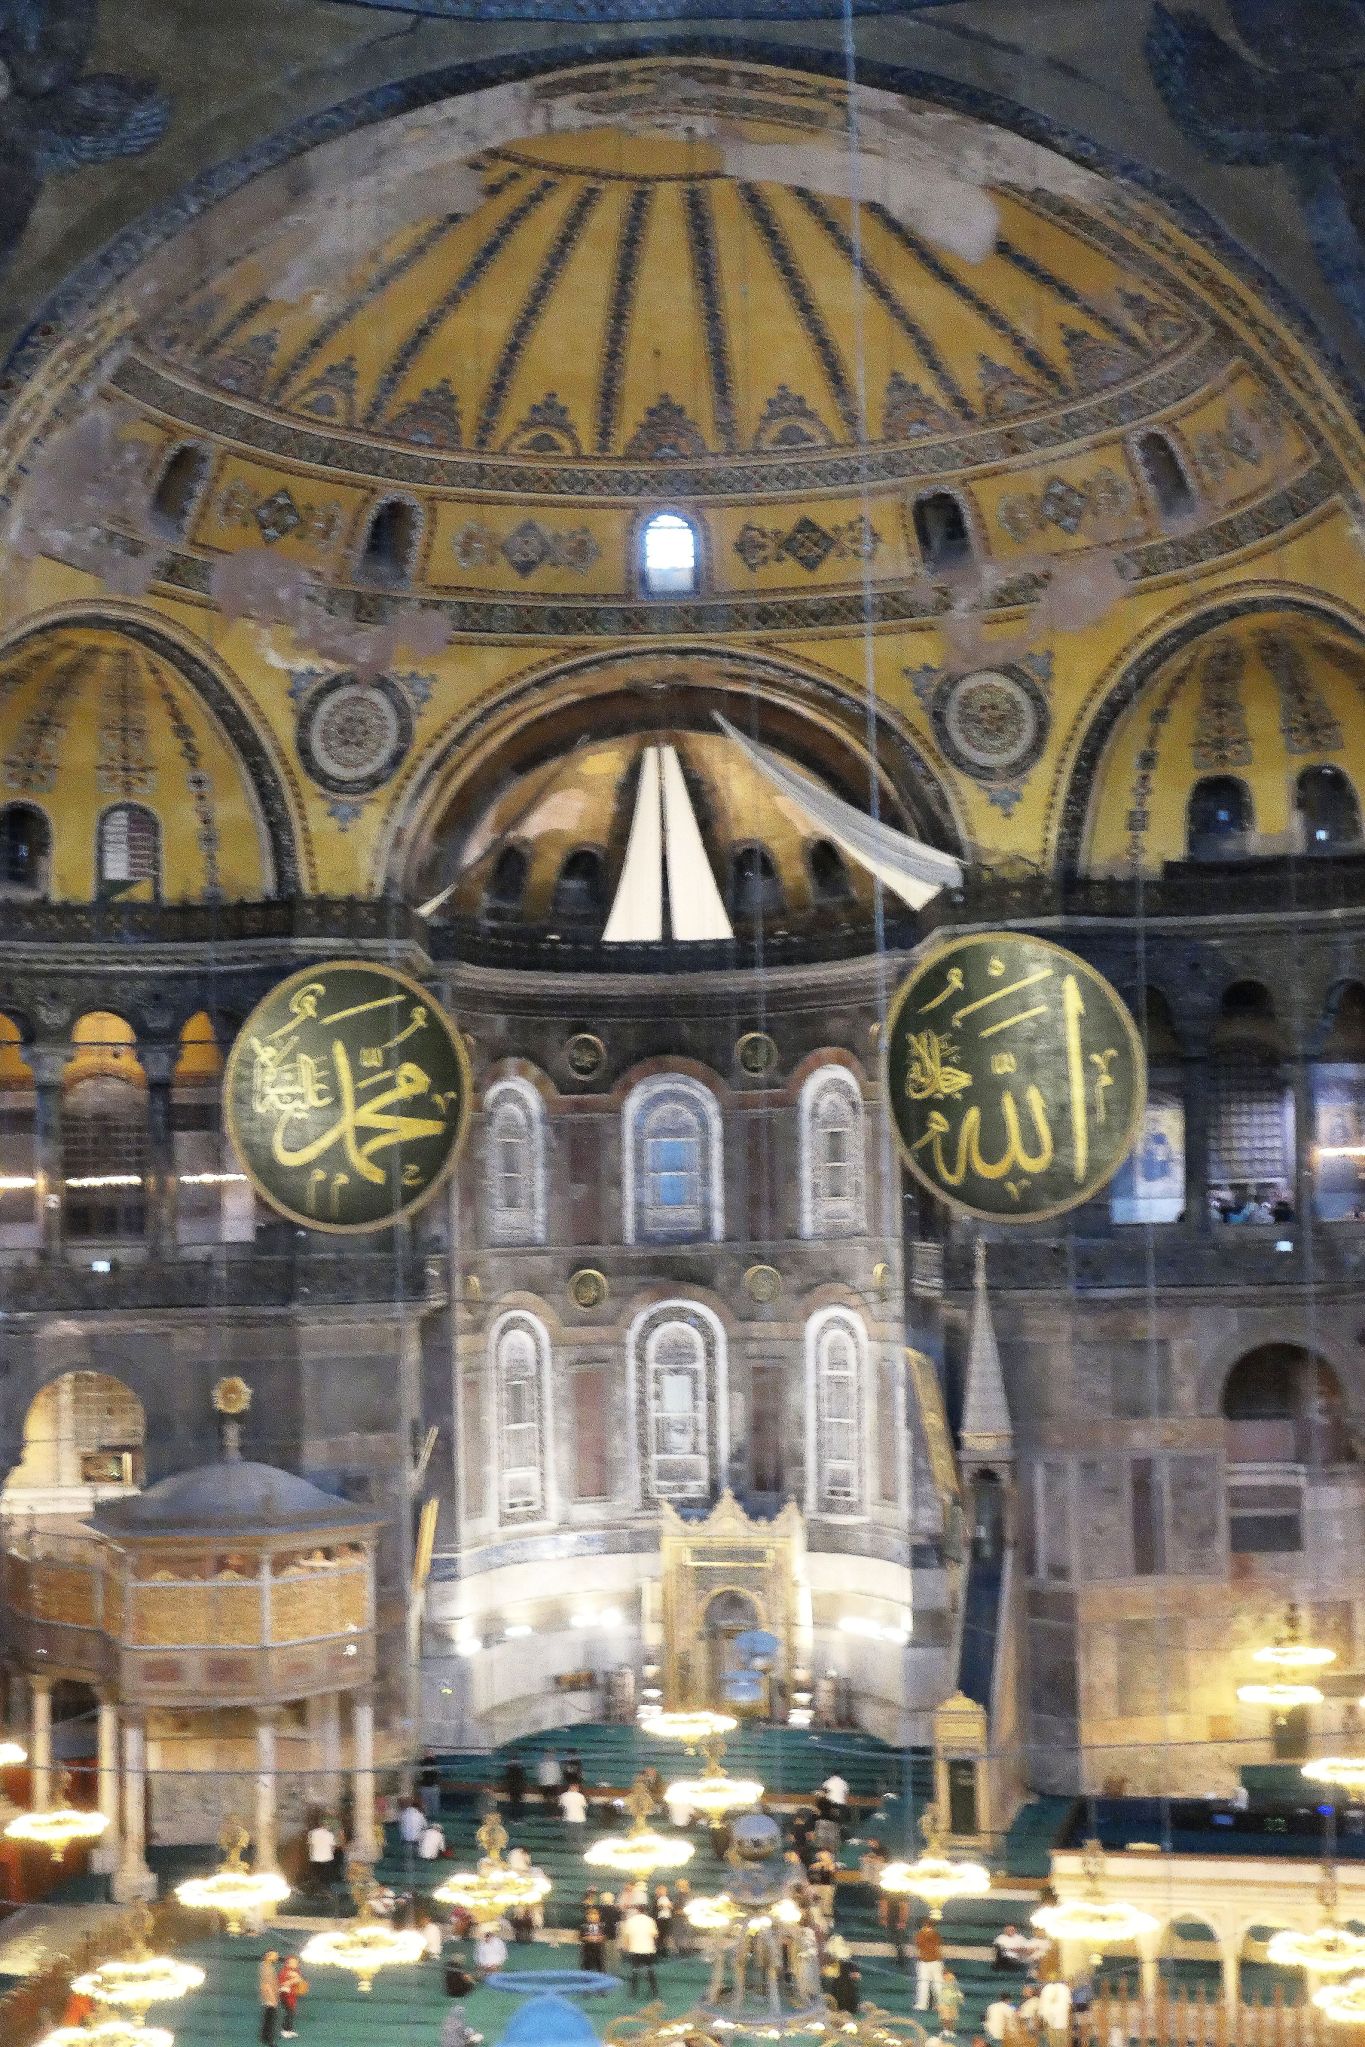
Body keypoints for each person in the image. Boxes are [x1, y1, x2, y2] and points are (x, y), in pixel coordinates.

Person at [621, 1900, 660, 1997]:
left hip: (635, 1949)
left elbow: (626, 1937)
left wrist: (626, 1948)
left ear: (637, 1910)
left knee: (634, 1972)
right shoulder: (650, 1920)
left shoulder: (630, 1920)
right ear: (645, 1910)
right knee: (650, 1971)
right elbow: (655, 1935)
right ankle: (654, 1991)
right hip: (648, 1949)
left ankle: (633, 1992)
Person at [915, 1920, 944, 2012]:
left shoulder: (922, 1934)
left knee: (927, 1984)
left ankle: (924, 2005)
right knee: (934, 1984)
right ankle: (937, 2005)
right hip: (931, 1962)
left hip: (928, 1962)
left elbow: (920, 1946)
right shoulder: (934, 1934)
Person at [278, 1957, 308, 2039]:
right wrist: (293, 1980)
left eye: (296, 1962)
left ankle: (289, 2030)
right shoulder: (284, 1972)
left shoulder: (296, 1971)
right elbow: (282, 1984)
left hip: (292, 1995)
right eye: (293, 1962)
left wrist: (297, 1979)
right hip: (285, 1995)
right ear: (288, 1963)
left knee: (292, 2012)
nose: (295, 1964)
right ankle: (284, 2031)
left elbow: (300, 1981)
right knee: (289, 2012)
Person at [306, 1817, 336, 1898]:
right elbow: (333, 1847)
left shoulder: (312, 1833)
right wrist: (331, 1854)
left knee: (316, 1876)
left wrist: (310, 1855)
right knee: (326, 1877)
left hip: (315, 1858)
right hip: (327, 1858)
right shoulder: (330, 1834)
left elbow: (310, 1845)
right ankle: (325, 1893)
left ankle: (315, 1892)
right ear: (326, 1825)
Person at [1038, 1975, 1071, 2047]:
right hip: (1060, 2022)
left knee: (1054, 2043)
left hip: (1052, 2021)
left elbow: (1042, 2007)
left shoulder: (1046, 1988)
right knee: (1061, 2043)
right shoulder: (1065, 1988)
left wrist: (1043, 2020)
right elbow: (1069, 2006)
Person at [258, 1951, 281, 2047]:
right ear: (268, 1956)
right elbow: (267, 1984)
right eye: (275, 1955)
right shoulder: (267, 1968)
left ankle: (264, 2037)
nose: (277, 1956)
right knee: (271, 2020)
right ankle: (270, 2041)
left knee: (267, 2018)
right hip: (270, 1996)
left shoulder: (265, 1966)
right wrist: (273, 1997)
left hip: (268, 1996)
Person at [598, 1891, 621, 1967]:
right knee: (613, 1955)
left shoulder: (600, 1910)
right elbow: (618, 1921)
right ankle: (614, 1969)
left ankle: (605, 1969)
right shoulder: (616, 1910)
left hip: (603, 1934)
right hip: (613, 1934)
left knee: (604, 1955)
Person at [580, 1906, 607, 1972]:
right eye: (590, 1915)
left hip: (598, 1950)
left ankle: (600, 1975)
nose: (592, 1917)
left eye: (595, 1914)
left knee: (600, 1966)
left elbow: (605, 1936)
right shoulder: (584, 1926)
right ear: (587, 1917)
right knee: (587, 1966)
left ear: (599, 1916)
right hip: (587, 1950)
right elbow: (580, 1937)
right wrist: (588, 1938)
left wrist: (601, 1938)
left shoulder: (602, 1926)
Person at [939, 1970, 963, 2038]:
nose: (949, 1979)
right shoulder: (941, 1985)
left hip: (953, 2003)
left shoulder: (954, 1983)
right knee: (945, 2018)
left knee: (952, 2019)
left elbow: (958, 1992)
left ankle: (951, 2031)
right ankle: (945, 2030)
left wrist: (960, 1999)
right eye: (946, 1976)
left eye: (951, 1978)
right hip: (944, 2003)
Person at [653, 1885, 674, 1957]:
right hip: (660, 1919)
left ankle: (663, 1950)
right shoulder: (657, 1899)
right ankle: (659, 1950)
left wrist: (668, 1906)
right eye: (662, 1890)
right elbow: (657, 1907)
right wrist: (664, 1906)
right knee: (660, 1936)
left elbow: (671, 1907)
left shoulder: (668, 1898)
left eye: (665, 1891)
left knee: (665, 1935)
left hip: (667, 1919)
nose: (664, 1892)